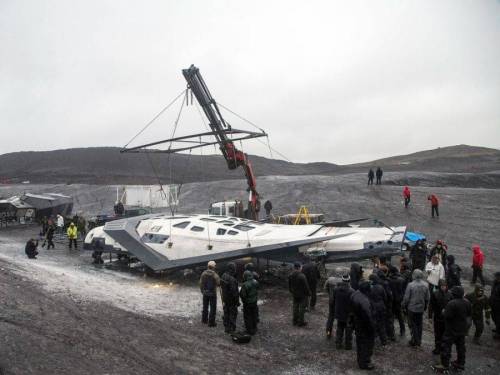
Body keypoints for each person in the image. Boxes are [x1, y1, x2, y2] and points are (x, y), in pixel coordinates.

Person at [434, 286, 471, 372]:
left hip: (451, 329)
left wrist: (444, 311)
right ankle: (461, 363)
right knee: (461, 346)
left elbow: (447, 316)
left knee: (446, 346)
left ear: (454, 294)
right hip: (462, 329)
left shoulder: (451, 303)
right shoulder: (467, 302)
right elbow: (469, 315)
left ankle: (444, 364)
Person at [351, 281, 376, 370]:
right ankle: (364, 363)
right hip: (364, 326)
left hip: (357, 323)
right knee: (367, 344)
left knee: (360, 343)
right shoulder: (364, 301)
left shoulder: (355, 294)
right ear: (366, 290)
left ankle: (360, 360)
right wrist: (372, 328)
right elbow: (368, 317)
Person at [402, 269, 430, 347]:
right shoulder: (426, 285)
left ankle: (415, 340)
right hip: (421, 308)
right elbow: (428, 297)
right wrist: (425, 306)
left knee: (412, 324)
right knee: (419, 324)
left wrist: (403, 305)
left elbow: (406, 298)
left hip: (412, 308)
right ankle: (419, 340)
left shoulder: (410, 285)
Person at [429, 279, 452, 355]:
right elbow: (431, 305)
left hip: (447, 318)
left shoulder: (450, 294)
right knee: (437, 334)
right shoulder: (435, 294)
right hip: (437, 317)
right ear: (439, 286)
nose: (443, 288)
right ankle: (437, 348)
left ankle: (443, 348)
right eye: (442, 286)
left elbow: (452, 306)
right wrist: (430, 316)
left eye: (445, 286)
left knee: (445, 335)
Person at [331, 274, 354, 349]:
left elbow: (333, 301)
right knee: (348, 330)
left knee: (339, 328)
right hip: (348, 314)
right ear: (349, 280)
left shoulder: (336, 289)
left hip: (339, 312)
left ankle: (338, 343)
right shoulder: (352, 291)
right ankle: (348, 345)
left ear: (342, 280)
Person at [288, 262, 311, 327]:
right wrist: (309, 293)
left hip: (295, 294)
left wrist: (291, 291)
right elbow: (306, 286)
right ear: (299, 267)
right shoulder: (302, 276)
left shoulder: (290, 275)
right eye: (301, 267)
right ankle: (301, 322)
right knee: (302, 308)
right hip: (302, 295)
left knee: (295, 307)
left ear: (294, 267)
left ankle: (294, 321)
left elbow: (289, 285)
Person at [368, 273, 388, 346]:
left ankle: (371, 340)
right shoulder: (381, 287)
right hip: (381, 307)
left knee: (372, 324)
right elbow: (385, 297)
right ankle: (384, 342)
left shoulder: (369, 288)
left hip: (373, 308)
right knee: (381, 325)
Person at [199, 261, 220, 327]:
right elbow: (218, 283)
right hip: (212, 294)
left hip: (205, 293)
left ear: (208, 266)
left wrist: (202, 291)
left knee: (205, 307)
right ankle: (211, 322)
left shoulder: (203, 273)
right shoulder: (215, 275)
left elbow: (200, 283)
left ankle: (204, 320)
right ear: (213, 267)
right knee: (213, 308)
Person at [220, 262, 239, 334]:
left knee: (226, 313)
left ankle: (227, 328)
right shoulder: (232, 280)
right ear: (232, 269)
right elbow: (235, 292)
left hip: (225, 299)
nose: (235, 270)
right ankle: (232, 329)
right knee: (233, 314)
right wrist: (237, 301)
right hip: (232, 300)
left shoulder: (223, 275)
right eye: (234, 268)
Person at [377, 269, 395, 341]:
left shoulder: (381, 283)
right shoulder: (386, 282)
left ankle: (388, 335)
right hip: (387, 304)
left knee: (384, 320)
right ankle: (390, 335)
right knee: (389, 320)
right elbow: (390, 294)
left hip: (384, 304)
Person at [388, 265, 406, 337]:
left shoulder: (389, 280)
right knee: (400, 317)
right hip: (399, 300)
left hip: (392, 301)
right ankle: (402, 331)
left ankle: (392, 333)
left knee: (391, 317)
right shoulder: (401, 280)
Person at [240, 270, 259, 335]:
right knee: (254, 315)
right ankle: (254, 327)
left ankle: (249, 330)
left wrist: (244, 301)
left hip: (247, 303)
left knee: (248, 317)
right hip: (254, 302)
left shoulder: (245, 285)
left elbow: (243, 295)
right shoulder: (255, 282)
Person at [324, 269, 342, 338]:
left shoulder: (330, 279)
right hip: (340, 302)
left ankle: (328, 333)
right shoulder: (343, 280)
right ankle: (339, 335)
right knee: (340, 318)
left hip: (331, 301)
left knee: (330, 317)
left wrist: (329, 294)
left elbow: (325, 288)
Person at [490, 272, 500, 340]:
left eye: (496, 277)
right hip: (494, 304)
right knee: (494, 317)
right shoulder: (495, 283)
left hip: (498, 305)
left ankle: (498, 333)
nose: (495, 278)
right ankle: (497, 328)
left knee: (499, 318)